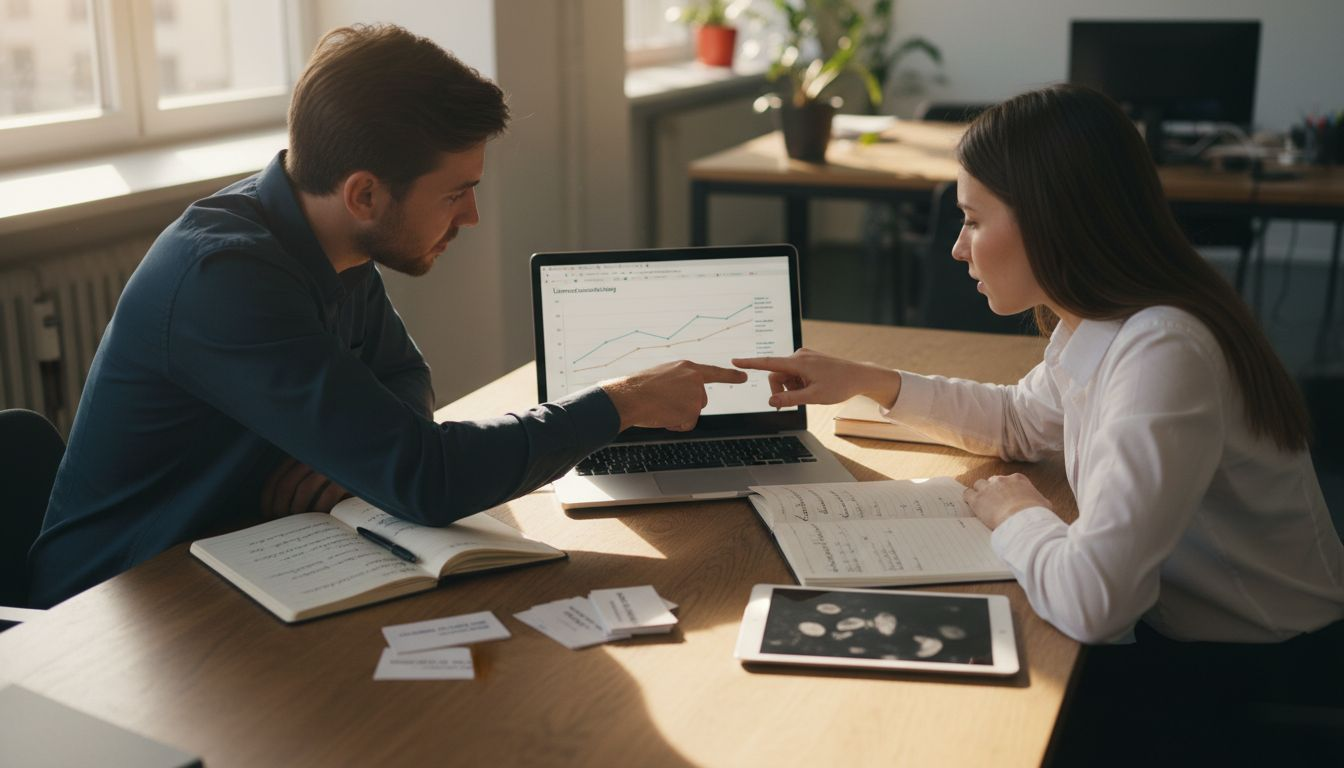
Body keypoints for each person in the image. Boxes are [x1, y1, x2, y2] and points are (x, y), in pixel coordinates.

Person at [28, 24, 746, 609]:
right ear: (365, 194)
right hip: (118, 607)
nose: (471, 216)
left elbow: (405, 378)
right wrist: (622, 402)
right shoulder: (227, 275)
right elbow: (425, 477)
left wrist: (348, 452)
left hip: (237, 563)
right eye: (456, 192)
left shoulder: (328, 235)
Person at [734, 85, 1343, 761]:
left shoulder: (1164, 351)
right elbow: (1023, 420)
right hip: (1199, 637)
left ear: (1053, 220)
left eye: (972, 220)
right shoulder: (1109, 319)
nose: (959, 249)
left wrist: (1019, 512)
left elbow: (1095, 603)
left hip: (1257, 673)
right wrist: (868, 380)